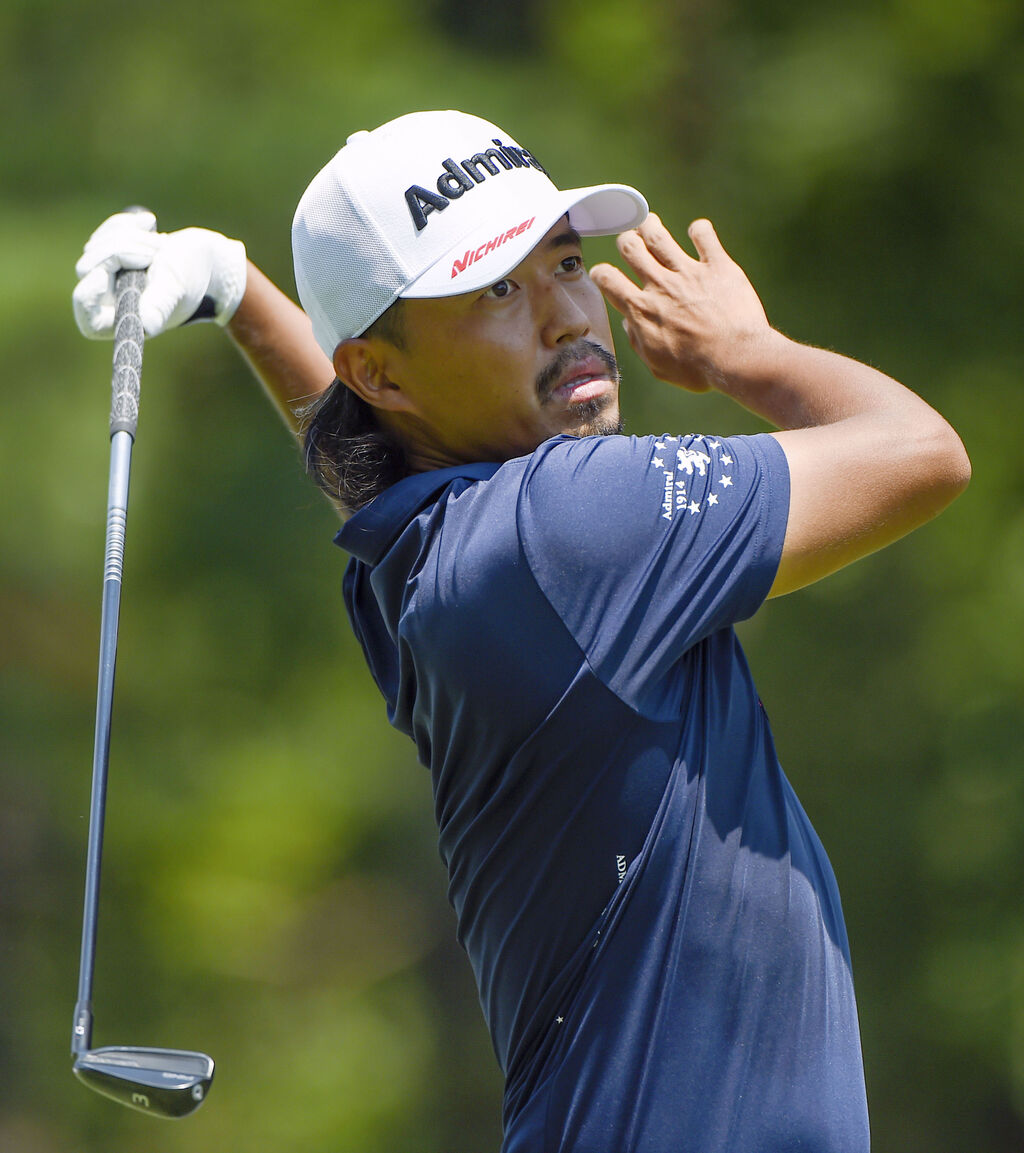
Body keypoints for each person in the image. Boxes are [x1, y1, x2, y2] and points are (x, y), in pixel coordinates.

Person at [73, 110, 970, 1151]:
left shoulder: (426, 551)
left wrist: (237, 291)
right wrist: (747, 354)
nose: (567, 317)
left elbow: (362, 443)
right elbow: (922, 452)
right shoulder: (576, 518)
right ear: (382, 375)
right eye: (496, 289)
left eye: (566, 263)